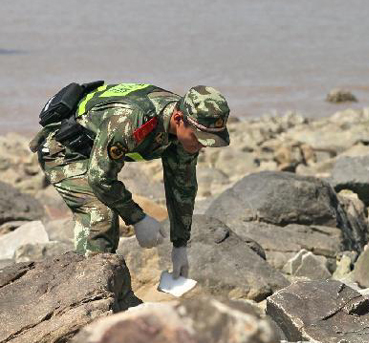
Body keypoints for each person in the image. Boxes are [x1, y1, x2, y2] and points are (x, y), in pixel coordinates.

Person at [29, 83, 230, 279]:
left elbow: (182, 188)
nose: (202, 146)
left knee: (104, 212)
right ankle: (87, 288)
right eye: (199, 138)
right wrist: (138, 218)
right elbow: (100, 178)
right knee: (101, 214)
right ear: (178, 119)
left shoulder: (185, 131)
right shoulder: (132, 120)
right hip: (63, 149)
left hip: (95, 147)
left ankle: (90, 280)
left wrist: (180, 245)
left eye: (208, 141)